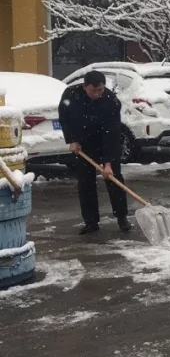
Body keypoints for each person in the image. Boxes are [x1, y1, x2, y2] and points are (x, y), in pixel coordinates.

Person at [58, 70, 130, 235]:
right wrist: (72, 140)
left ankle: (122, 217)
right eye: (93, 90)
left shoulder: (111, 102)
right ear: (85, 87)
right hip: (84, 143)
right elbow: (64, 118)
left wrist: (108, 163)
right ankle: (91, 222)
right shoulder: (71, 95)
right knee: (85, 182)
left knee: (114, 179)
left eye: (100, 90)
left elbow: (112, 133)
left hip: (105, 140)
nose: (97, 94)